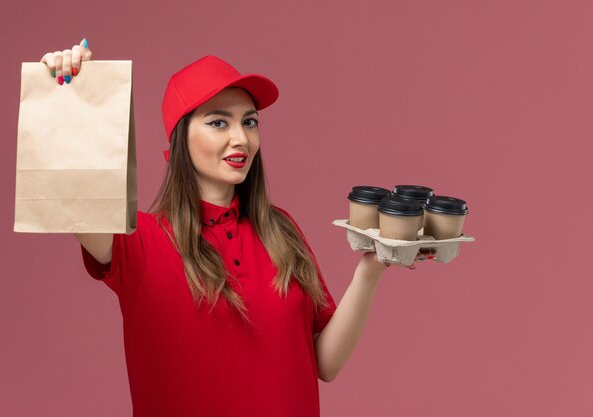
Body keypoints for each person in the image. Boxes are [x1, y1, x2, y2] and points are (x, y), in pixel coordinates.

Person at [40, 38, 429, 417]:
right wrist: (72, 94)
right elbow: (74, 195)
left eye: (249, 121)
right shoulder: (138, 240)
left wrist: (371, 268)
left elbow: (325, 363)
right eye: (218, 122)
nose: (240, 138)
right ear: (180, 138)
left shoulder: (281, 230)